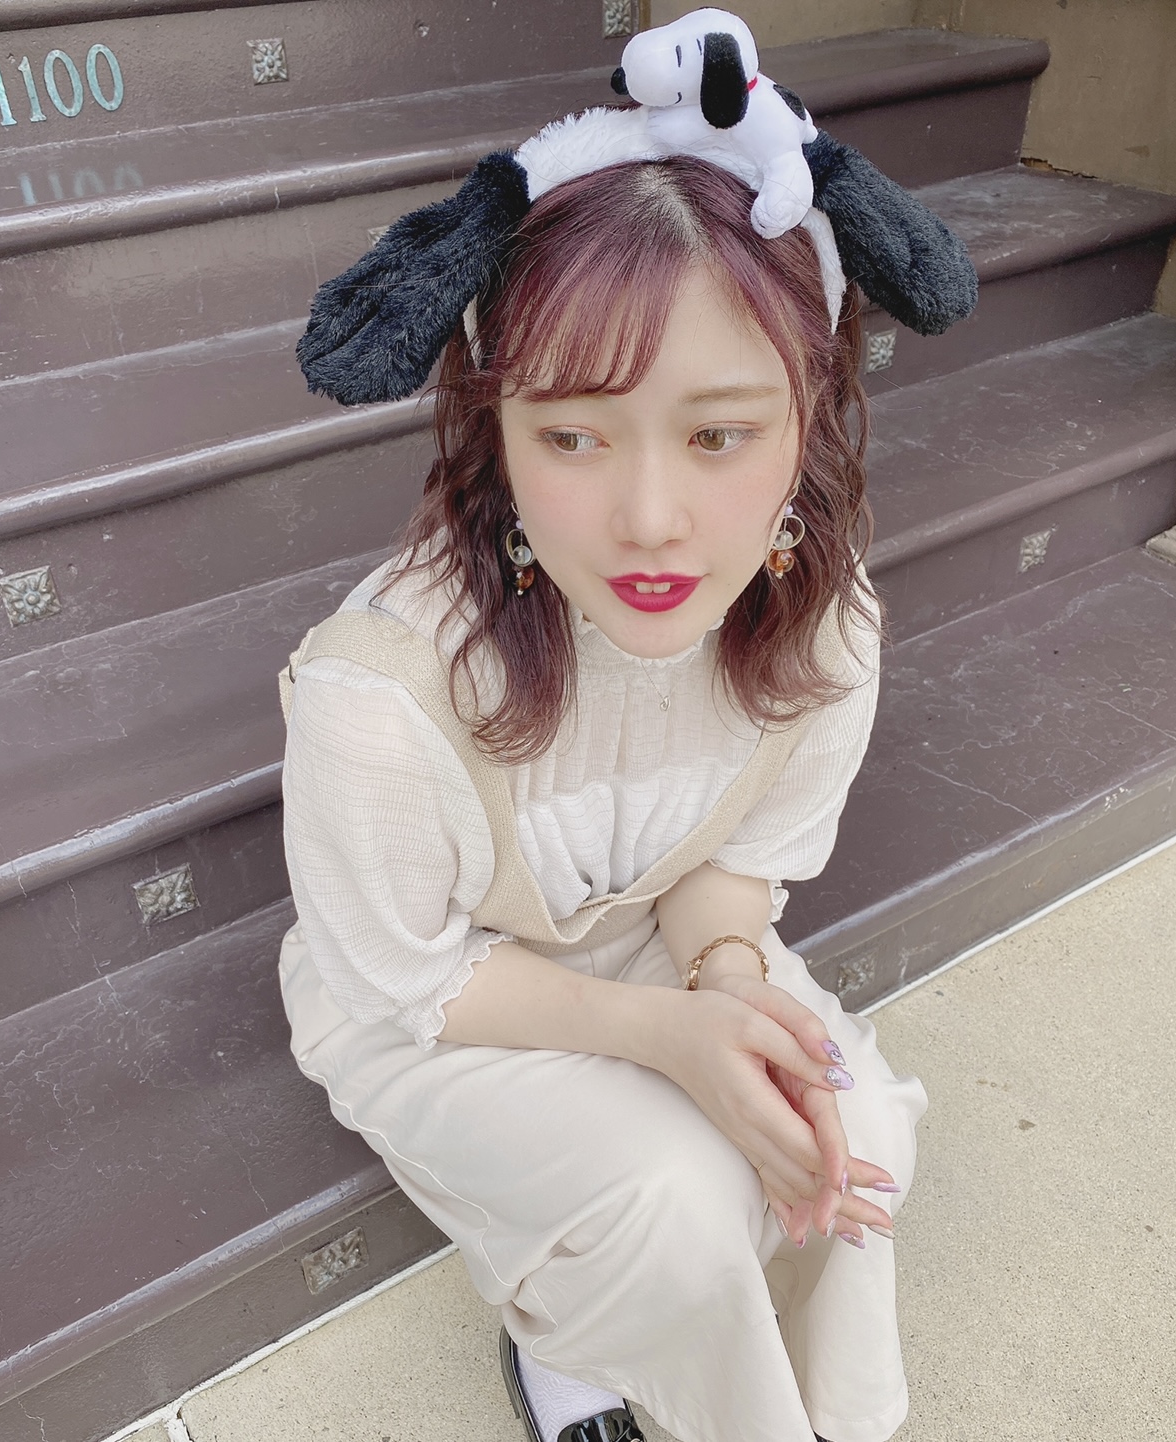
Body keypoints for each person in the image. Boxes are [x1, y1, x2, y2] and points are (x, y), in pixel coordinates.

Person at [278, 153, 929, 1442]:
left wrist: (727, 980)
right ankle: (571, 1349)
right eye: (572, 435)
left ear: (809, 413)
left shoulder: (822, 624)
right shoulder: (384, 693)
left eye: (718, 434)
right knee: (673, 1202)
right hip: (437, 1000)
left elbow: (728, 865)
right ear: (498, 431)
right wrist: (667, 1036)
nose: (650, 520)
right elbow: (408, 977)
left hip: (648, 938)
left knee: (854, 1138)